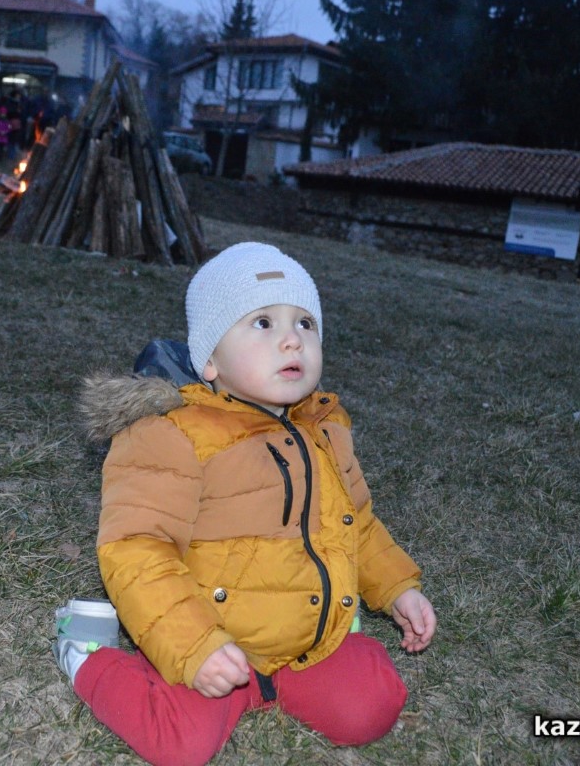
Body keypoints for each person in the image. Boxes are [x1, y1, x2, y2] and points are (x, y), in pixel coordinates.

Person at [59, 242, 437, 766]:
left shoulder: (325, 428)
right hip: (207, 636)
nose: (292, 339)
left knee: (371, 708)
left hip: (299, 643)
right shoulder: (169, 435)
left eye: (305, 323)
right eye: (262, 323)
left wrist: (397, 588)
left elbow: (358, 524)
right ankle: (87, 656)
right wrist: (195, 646)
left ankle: (283, 675)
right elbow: (136, 550)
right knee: (181, 745)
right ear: (210, 360)